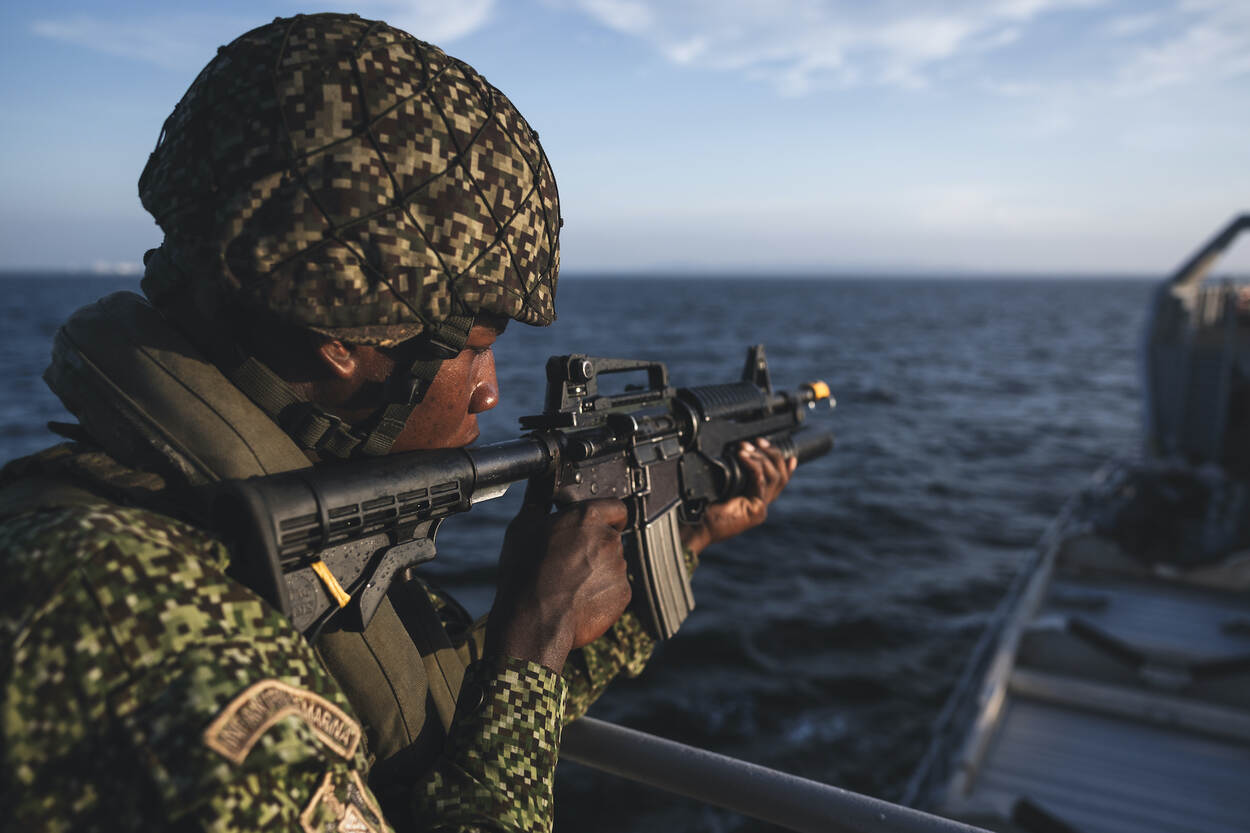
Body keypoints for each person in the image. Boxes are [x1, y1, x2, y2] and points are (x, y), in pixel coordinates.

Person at [0, 13, 794, 833]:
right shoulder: (127, 621)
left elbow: (449, 742)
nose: (489, 393)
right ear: (344, 337)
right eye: (476, 348)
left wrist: (669, 551)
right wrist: (523, 655)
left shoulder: (234, 536)